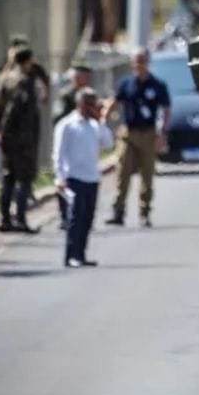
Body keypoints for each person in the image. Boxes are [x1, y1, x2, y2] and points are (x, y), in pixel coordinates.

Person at [103, 49, 171, 227]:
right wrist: (104, 119)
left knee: (147, 175)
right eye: (136, 61)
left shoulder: (157, 85)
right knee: (122, 172)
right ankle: (118, 211)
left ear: (147, 62)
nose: (139, 65)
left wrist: (163, 133)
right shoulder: (126, 83)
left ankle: (145, 212)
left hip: (148, 134)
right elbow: (115, 102)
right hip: (129, 133)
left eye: (142, 61)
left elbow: (166, 109)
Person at [53, 88, 114, 267]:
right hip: (74, 177)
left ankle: (81, 254)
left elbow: (108, 143)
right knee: (75, 218)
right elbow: (58, 153)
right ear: (79, 104)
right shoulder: (67, 124)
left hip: (92, 178)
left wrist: (101, 121)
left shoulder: (95, 125)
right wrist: (60, 177)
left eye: (93, 104)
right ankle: (71, 255)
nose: (91, 108)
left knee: (87, 219)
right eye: (88, 104)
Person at [0, 45, 42, 233]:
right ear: (28, 61)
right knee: (24, 178)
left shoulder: (4, 78)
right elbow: (13, 109)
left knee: (9, 177)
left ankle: (5, 218)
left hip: (9, 137)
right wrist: (7, 131)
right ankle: (20, 218)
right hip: (22, 137)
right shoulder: (23, 81)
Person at [55, 63, 93, 228]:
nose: (86, 80)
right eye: (83, 76)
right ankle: (65, 215)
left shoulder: (90, 96)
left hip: (85, 143)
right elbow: (58, 117)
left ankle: (83, 215)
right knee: (65, 178)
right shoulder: (66, 96)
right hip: (70, 140)